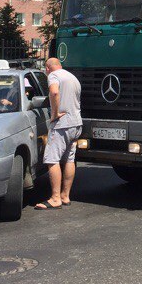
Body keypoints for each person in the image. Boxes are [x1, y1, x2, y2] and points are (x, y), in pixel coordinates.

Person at [34, 57, 82, 210]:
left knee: (52, 159)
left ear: (47, 69)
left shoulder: (54, 76)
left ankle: (55, 198)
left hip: (62, 125)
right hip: (76, 123)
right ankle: (65, 196)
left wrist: (54, 113)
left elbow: (54, 93)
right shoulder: (72, 77)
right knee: (69, 159)